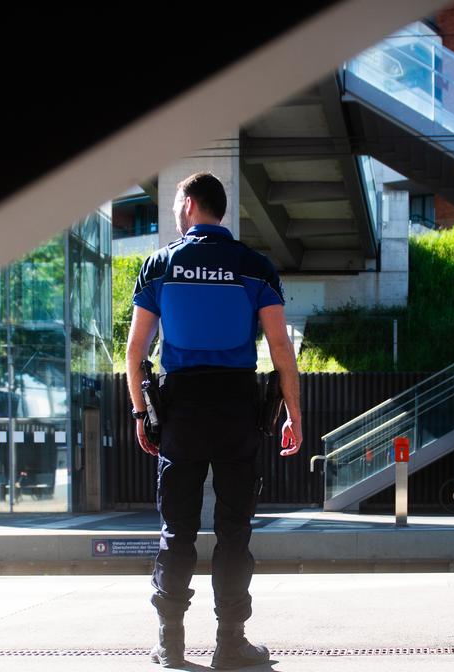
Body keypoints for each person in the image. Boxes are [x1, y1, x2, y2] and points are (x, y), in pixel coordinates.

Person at [127, 172, 302, 669]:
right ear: (220, 211)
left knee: (176, 529)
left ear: (188, 205)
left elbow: (136, 350)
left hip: (181, 407)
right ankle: (230, 644)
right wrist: (294, 415)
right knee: (233, 529)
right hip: (235, 408)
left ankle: (171, 643)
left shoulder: (159, 266)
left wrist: (142, 412)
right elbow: (281, 349)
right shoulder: (254, 267)